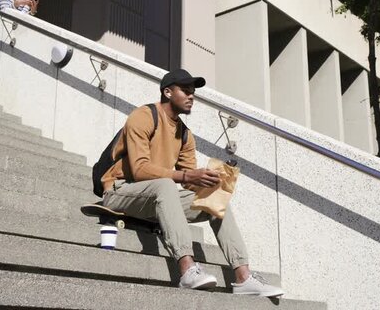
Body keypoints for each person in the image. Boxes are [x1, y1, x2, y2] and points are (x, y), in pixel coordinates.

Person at [100, 68, 284, 297]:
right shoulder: (144, 116)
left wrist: (213, 181)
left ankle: (243, 277)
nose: (191, 96)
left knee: (216, 199)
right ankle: (187, 270)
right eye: (185, 91)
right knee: (166, 185)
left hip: (154, 198)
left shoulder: (185, 134)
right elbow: (139, 170)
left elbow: (189, 182)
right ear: (167, 92)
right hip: (120, 191)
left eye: (193, 92)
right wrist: (187, 176)